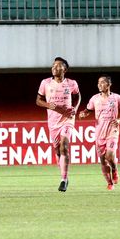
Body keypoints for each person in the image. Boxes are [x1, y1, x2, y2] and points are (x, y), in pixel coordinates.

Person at [36, 57, 81, 192]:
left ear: (65, 69)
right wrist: (48, 105)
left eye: (58, 66)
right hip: (53, 121)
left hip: (67, 119)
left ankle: (63, 179)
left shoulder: (72, 83)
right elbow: (38, 100)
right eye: (53, 65)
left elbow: (78, 96)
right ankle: (64, 175)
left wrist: (75, 108)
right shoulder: (45, 83)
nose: (54, 67)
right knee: (57, 151)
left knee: (64, 146)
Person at [79, 75, 120, 191]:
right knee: (102, 159)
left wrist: (119, 120)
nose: (99, 85)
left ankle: (115, 170)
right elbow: (87, 111)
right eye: (98, 83)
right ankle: (110, 183)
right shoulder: (94, 99)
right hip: (99, 132)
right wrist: (83, 114)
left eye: (102, 82)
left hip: (112, 130)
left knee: (110, 155)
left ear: (109, 84)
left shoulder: (117, 98)